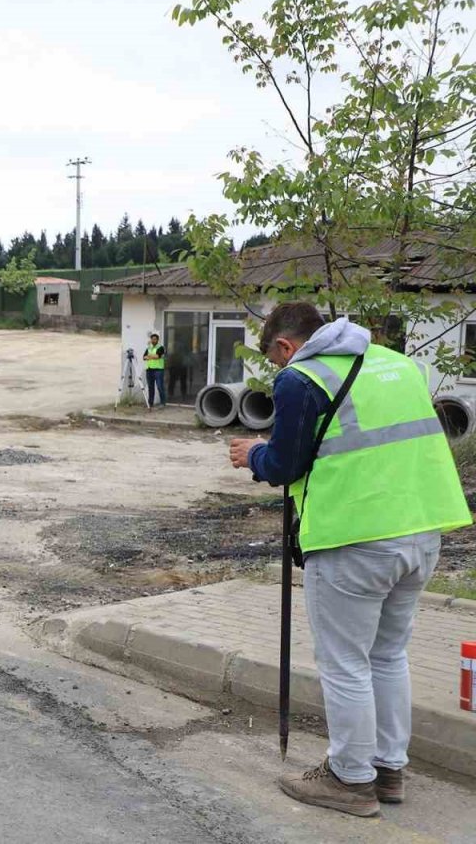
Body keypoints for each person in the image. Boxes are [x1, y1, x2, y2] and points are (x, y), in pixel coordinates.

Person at [228, 302, 470, 817]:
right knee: (388, 655)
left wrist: (252, 452)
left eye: (276, 359)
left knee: (345, 664)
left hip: (354, 537)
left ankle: (349, 779)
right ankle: (388, 770)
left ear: (285, 346)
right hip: (423, 529)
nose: (278, 369)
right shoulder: (397, 364)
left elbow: (285, 463)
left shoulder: (300, 379)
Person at [143, 333, 166, 408]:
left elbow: (157, 356)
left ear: (157, 340)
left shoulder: (161, 347)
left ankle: (163, 403)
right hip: (149, 370)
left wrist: (149, 356)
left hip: (158, 370)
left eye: (155, 339)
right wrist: (151, 356)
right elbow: (144, 357)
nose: (153, 340)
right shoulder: (149, 348)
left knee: (160, 386)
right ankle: (150, 403)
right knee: (150, 387)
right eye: (152, 339)